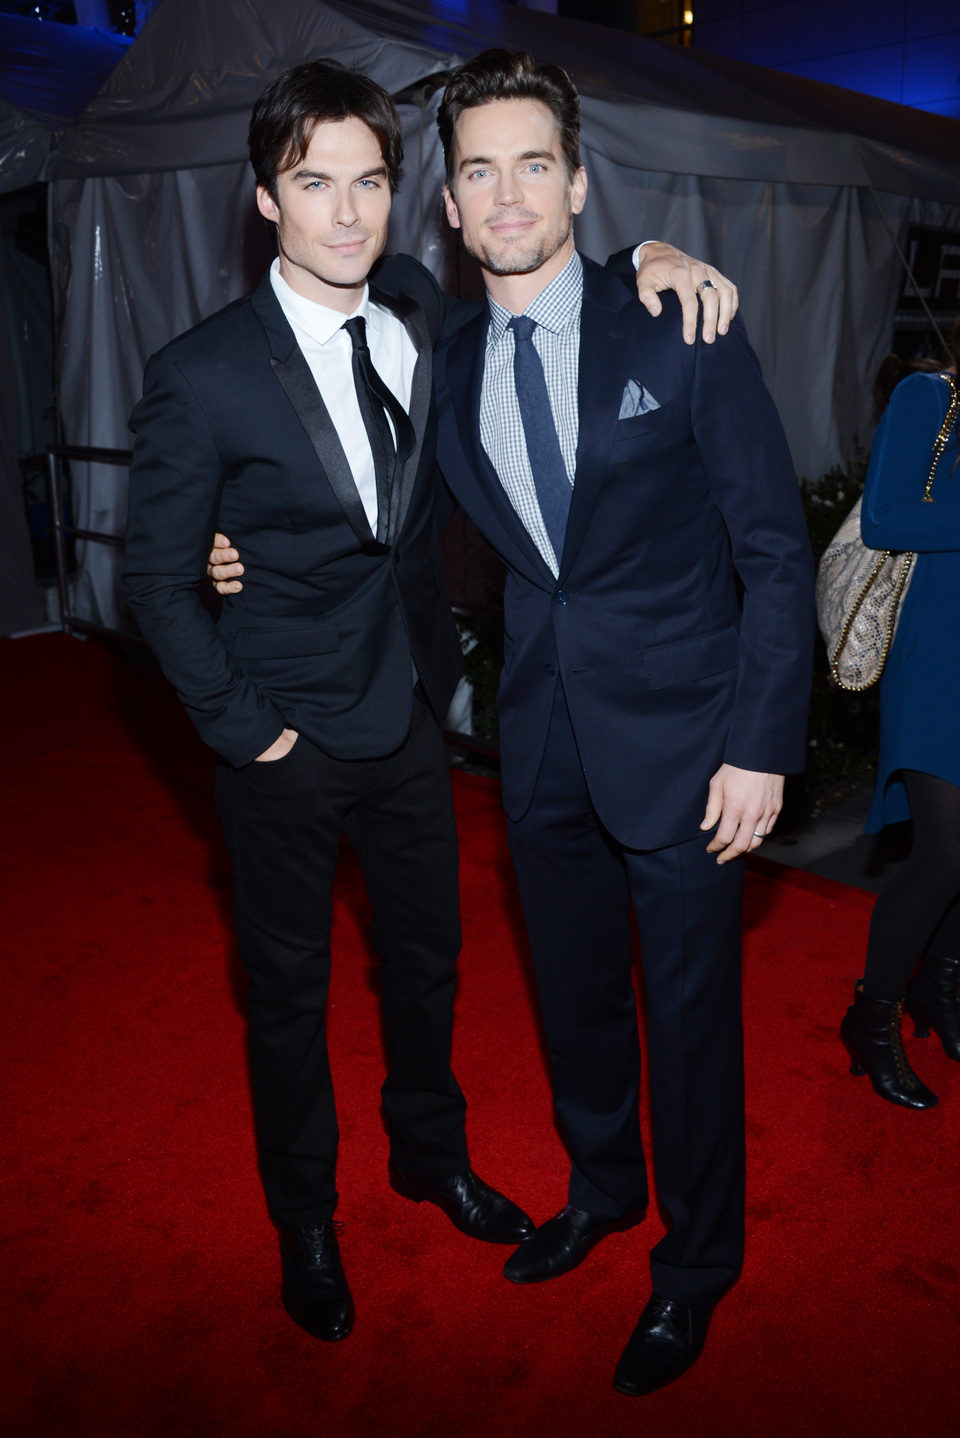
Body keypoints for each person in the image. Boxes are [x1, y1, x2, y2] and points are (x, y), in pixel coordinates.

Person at [211, 49, 813, 1394]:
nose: (505, 191)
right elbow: (344, 483)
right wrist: (227, 543)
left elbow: (775, 549)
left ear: (580, 183)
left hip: (693, 746)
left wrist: (765, 738)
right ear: (450, 205)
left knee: (693, 1017)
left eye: (533, 162)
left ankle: (696, 1263)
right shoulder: (443, 351)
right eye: (477, 168)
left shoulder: (680, 322)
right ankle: (603, 1188)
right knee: (578, 1000)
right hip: (535, 739)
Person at [840, 331, 960, 1109]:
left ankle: (939, 989)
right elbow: (885, 518)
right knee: (946, 853)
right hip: (937, 660)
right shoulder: (930, 397)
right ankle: (871, 1014)